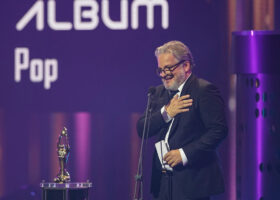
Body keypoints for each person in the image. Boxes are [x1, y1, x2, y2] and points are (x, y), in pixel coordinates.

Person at [137, 41, 228, 200]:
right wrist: (166, 113)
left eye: (168, 68)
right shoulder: (158, 93)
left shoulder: (204, 90)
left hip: (192, 183)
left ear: (185, 66)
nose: (164, 74)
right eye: (160, 70)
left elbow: (218, 130)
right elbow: (142, 128)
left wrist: (184, 154)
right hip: (163, 184)